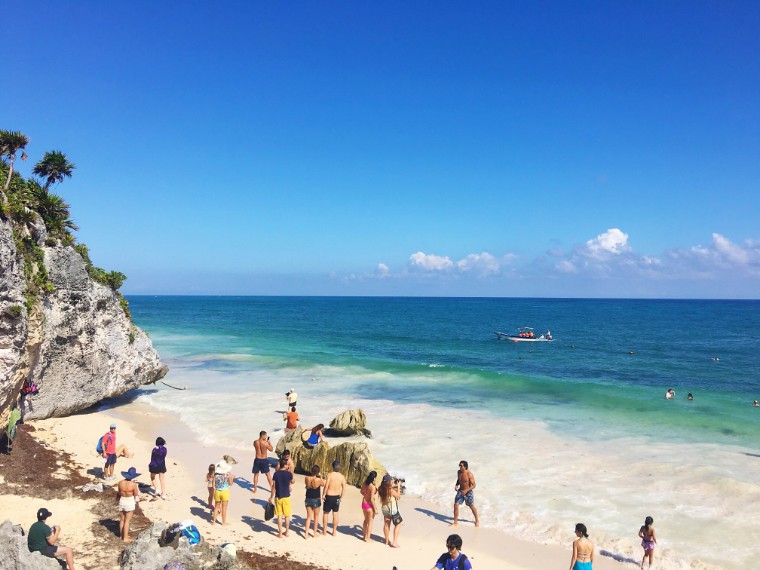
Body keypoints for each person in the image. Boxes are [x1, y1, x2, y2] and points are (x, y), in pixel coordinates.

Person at [270, 457, 294, 537]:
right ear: (286, 465)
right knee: (287, 515)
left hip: (278, 497)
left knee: (279, 516)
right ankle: (287, 532)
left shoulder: (276, 474)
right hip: (286, 497)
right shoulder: (289, 474)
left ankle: (280, 533)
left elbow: (273, 486)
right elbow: (293, 481)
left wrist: (271, 496)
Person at [117, 467, 142, 542]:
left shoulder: (120, 482)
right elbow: (136, 494)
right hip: (129, 501)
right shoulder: (133, 484)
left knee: (122, 520)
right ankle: (125, 538)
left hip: (122, 500)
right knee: (127, 521)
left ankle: (121, 536)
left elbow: (119, 492)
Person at [322, 460, 346, 536]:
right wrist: (341, 497)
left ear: (333, 467)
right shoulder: (342, 477)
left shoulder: (330, 475)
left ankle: (325, 531)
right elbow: (344, 488)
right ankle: (334, 532)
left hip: (329, 496)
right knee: (335, 514)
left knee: (326, 513)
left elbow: (326, 486)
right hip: (337, 497)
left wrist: (323, 494)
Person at [452, 460, 479, 527]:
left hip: (468, 492)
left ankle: (477, 520)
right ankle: (455, 522)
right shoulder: (459, 472)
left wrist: (466, 490)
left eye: (461, 466)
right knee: (456, 505)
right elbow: (459, 480)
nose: (460, 467)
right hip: (460, 491)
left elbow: (474, 485)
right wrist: (456, 485)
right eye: (459, 465)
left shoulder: (469, 474)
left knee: (471, 506)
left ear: (465, 467)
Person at [378, 473, 402, 547]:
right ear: (389, 482)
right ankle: (394, 542)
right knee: (398, 524)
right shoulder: (391, 490)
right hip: (392, 509)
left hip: (385, 509)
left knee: (386, 524)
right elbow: (398, 496)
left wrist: (393, 486)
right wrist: (398, 486)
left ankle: (386, 541)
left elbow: (388, 489)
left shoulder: (380, 488)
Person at [304, 464, 325, 539]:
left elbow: (306, 485)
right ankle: (314, 533)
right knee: (316, 517)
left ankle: (306, 534)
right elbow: (323, 484)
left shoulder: (306, 478)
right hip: (316, 498)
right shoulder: (318, 480)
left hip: (308, 498)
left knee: (308, 517)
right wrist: (321, 477)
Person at [212, 459, 234, 526]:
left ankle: (213, 522)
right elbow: (231, 484)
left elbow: (213, 485)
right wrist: (232, 478)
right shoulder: (228, 474)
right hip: (225, 492)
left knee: (216, 507)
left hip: (217, 491)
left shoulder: (216, 474)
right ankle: (223, 522)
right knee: (224, 508)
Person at [360, 470, 378, 542]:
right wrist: (375, 508)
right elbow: (371, 499)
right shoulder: (372, 487)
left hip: (364, 503)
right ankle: (368, 538)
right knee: (370, 522)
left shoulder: (365, 483)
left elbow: (361, 491)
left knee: (365, 520)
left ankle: (364, 536)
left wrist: (365, 495)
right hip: (369, 504)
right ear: (374, 478)